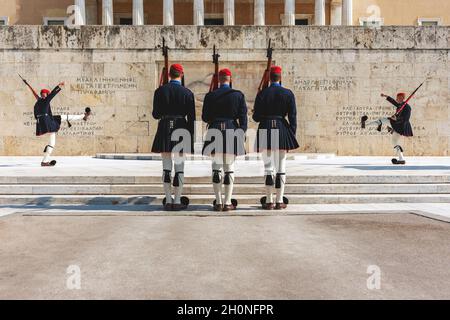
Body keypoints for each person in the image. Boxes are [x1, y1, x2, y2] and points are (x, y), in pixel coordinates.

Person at [253, 66, 299, 210]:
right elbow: (293, 117)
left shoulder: (262, 94)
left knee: (268, 168)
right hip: (282, 128)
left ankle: (268, 200)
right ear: (280, 77)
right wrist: (291, 133)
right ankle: (279, 201)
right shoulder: (288, 93)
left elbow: (255, 117)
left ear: (269, 78)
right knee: (281, 168)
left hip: (266, 127)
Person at [202, 68, 248, 212]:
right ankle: (228, 203)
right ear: (230, 79)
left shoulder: (210, 96)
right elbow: (243, 118)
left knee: (216, 169)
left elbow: (205, 118)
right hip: (231, 129)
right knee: (229, 169)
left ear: (218, 80)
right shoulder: (238, 95)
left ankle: (218, 202)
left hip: (215, 128)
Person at [151, 64, 196, 211]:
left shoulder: (160, 91)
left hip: (164, 126)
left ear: (169, 75)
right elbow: (192, 118)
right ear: (181, 75)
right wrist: (190, 136)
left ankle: (168, 200)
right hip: (181, 127)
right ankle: (177, 201)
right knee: (179, 167)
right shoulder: (187, 93)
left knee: (166, 167)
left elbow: (155, 115)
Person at [24, 80, 91, 167]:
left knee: (60, 120)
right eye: (43, 94)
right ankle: (83, 116)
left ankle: (45, 161)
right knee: (59, 125)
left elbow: (34, 93)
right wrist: (59, 86)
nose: (44, 95)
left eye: (44, 93)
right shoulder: (46, 100)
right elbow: (52, 94)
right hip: (47, 121)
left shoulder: (39, 100)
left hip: (44, 121)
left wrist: (28, 84)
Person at [361, 92, 413, 165]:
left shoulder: (407, 107)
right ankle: (401, 159)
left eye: (397, 98)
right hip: (397, 125)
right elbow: (393, 102)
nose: (396, 99)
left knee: (382, 120)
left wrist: (396, 119)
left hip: (400, 126)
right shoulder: (400, 105)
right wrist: (386, 96)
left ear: (401, 98)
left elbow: (406, 119)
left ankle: (365, 124)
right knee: (394, 142)